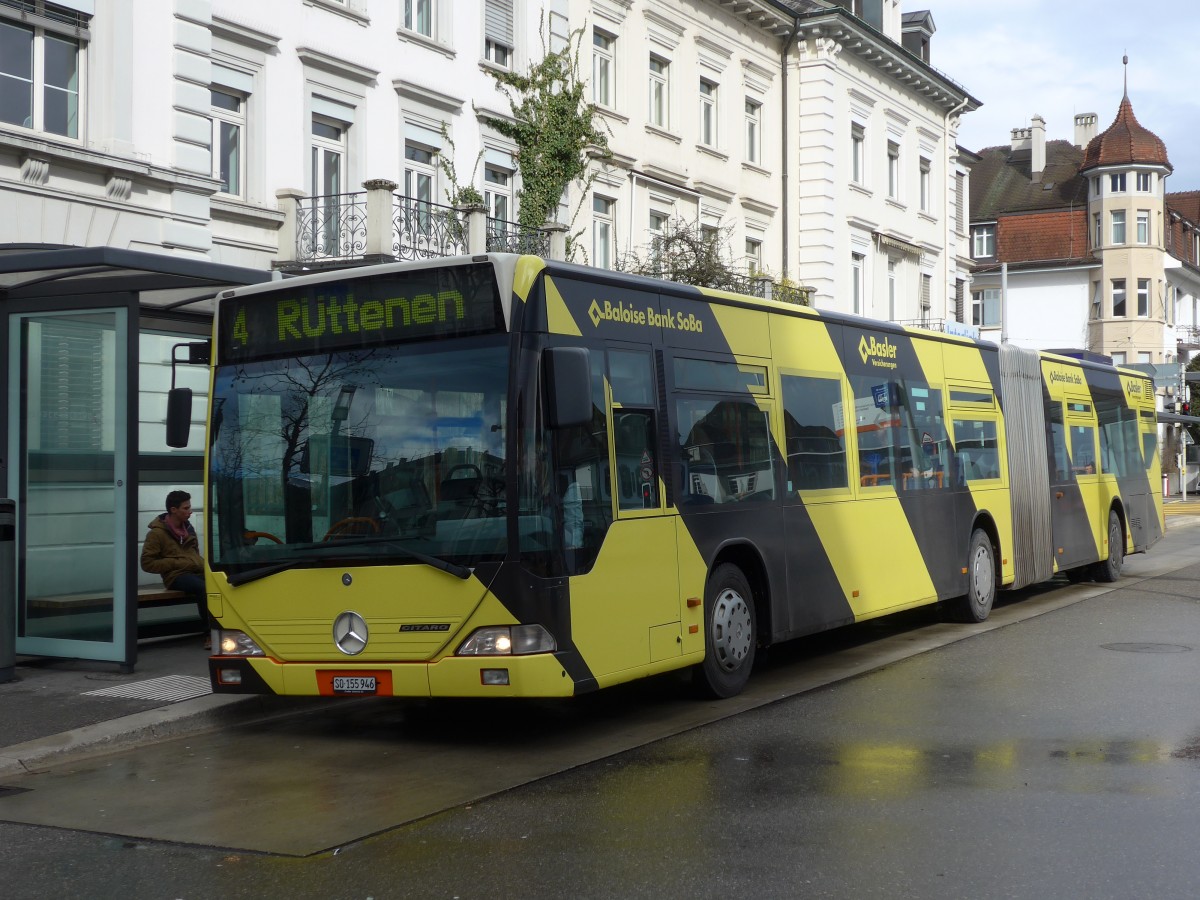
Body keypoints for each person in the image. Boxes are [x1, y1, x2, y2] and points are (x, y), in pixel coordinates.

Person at [140, 490, 212, 649]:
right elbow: (147, 563)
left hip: (195, 571)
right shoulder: (157, 534)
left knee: (222, 583)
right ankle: (209, 634)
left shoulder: (189, 529)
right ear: (173, 510)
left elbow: (194, 552)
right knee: (204, 589)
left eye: (189, 507)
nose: (190, 511)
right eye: (185, 508)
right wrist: (176, 563)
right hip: (176, 576)